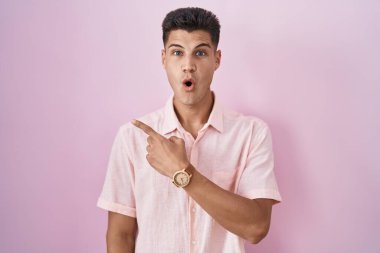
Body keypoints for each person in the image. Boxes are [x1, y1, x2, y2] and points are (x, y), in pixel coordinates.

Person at [97, 7, 281, 253]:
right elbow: (120, 235)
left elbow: (256, 227)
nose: (188, 66)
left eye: (201, 53)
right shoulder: (131, 138)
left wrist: (182, 173)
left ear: (217, 59)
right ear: (164, 59)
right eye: (177, 53)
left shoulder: (251, 134)